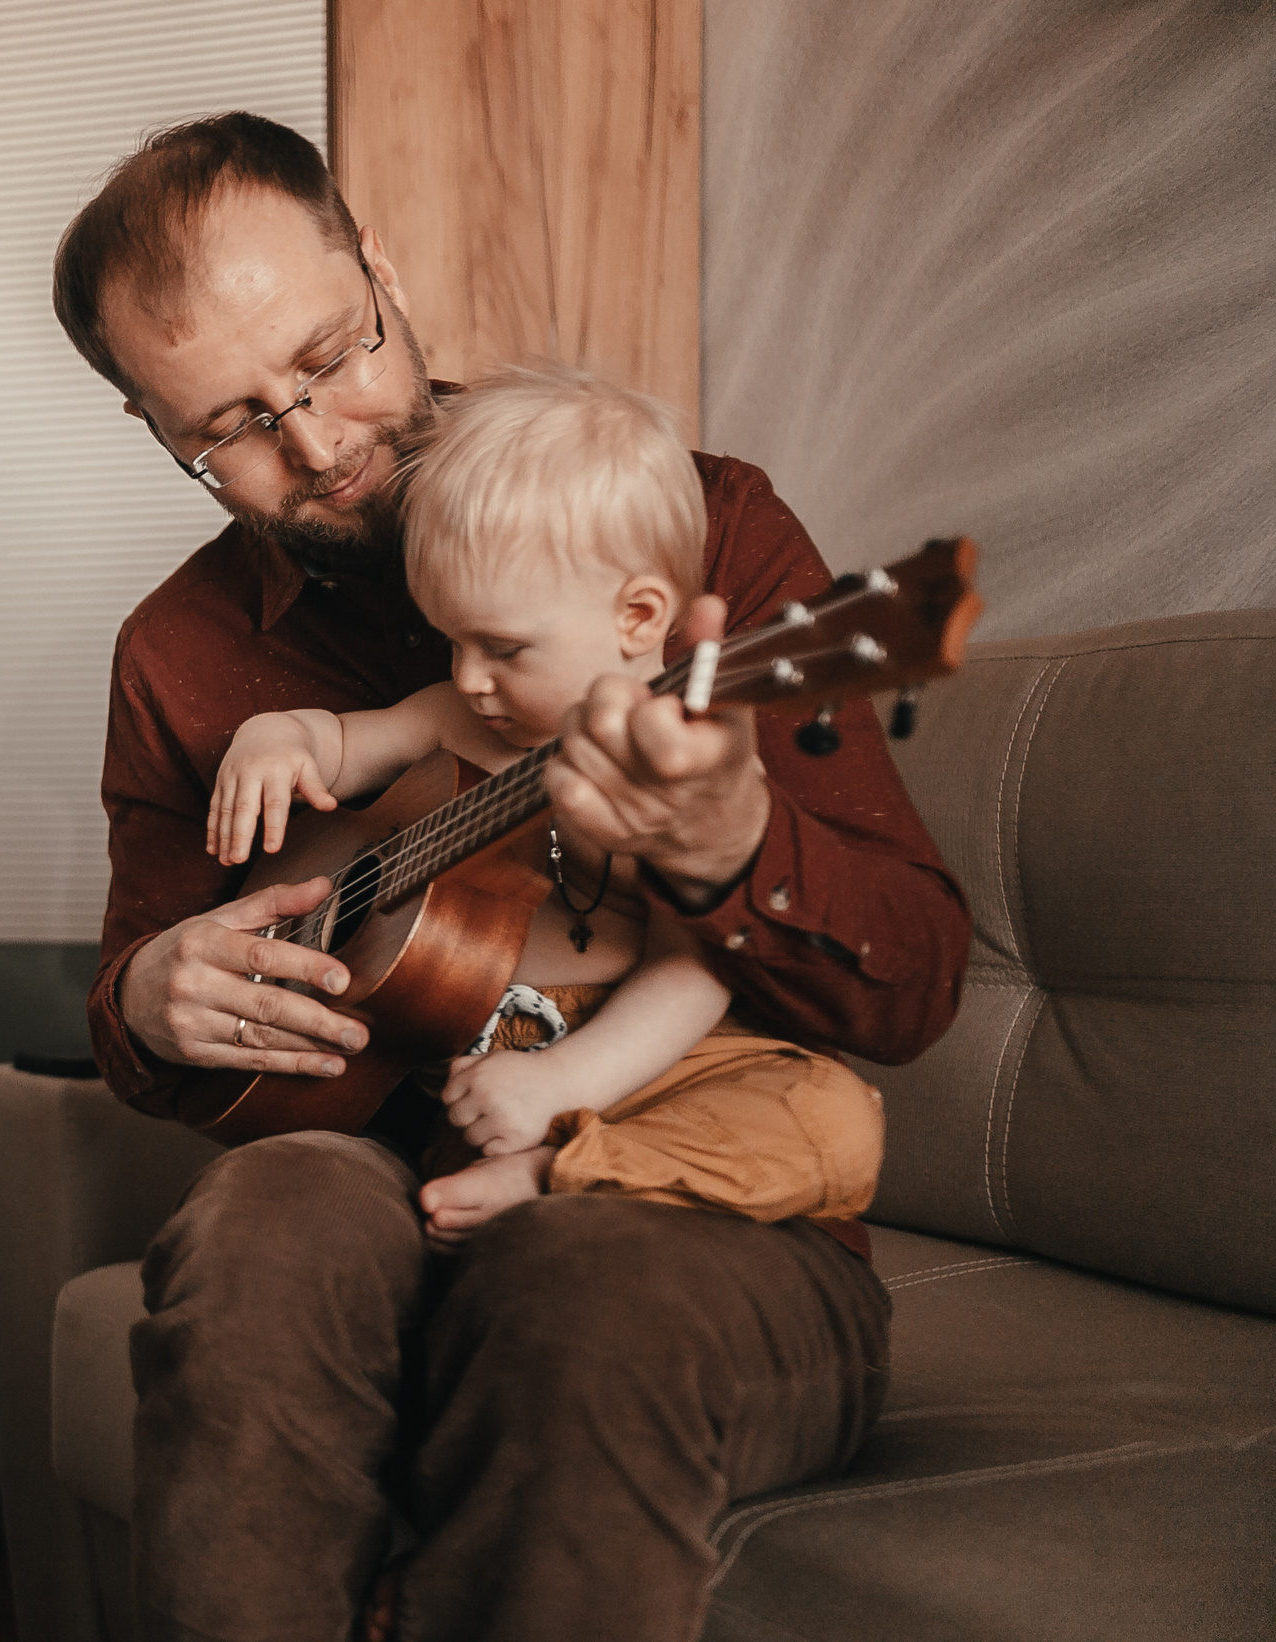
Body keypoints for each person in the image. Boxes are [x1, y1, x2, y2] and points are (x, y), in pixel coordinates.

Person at [52, 113, 970, 1640]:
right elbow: (127, 1019)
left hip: (693, 1210)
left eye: (335, 353)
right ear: (163, 436)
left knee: (576, 1294)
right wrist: (155, 992)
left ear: (384, 272)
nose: (320, 440)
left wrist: (731, 844)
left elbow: (919, 978)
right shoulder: (180, 655)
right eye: (231, 425)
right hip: (383, 1169)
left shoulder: (699, 526)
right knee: (260, 1226)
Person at [206, 362, 883, 1250]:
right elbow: (340, 744)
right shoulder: (457, 714)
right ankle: (533, 1176)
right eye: (451, 639)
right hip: (489, 1061)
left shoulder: (683, 767)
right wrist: (276, 737)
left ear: (639, 617)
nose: (467, 678)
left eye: (503, 647)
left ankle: (557, 1176)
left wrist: (565, 1084)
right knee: (435, 1130)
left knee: (836, 1118)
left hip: (653, 1057)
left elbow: (694, 971)